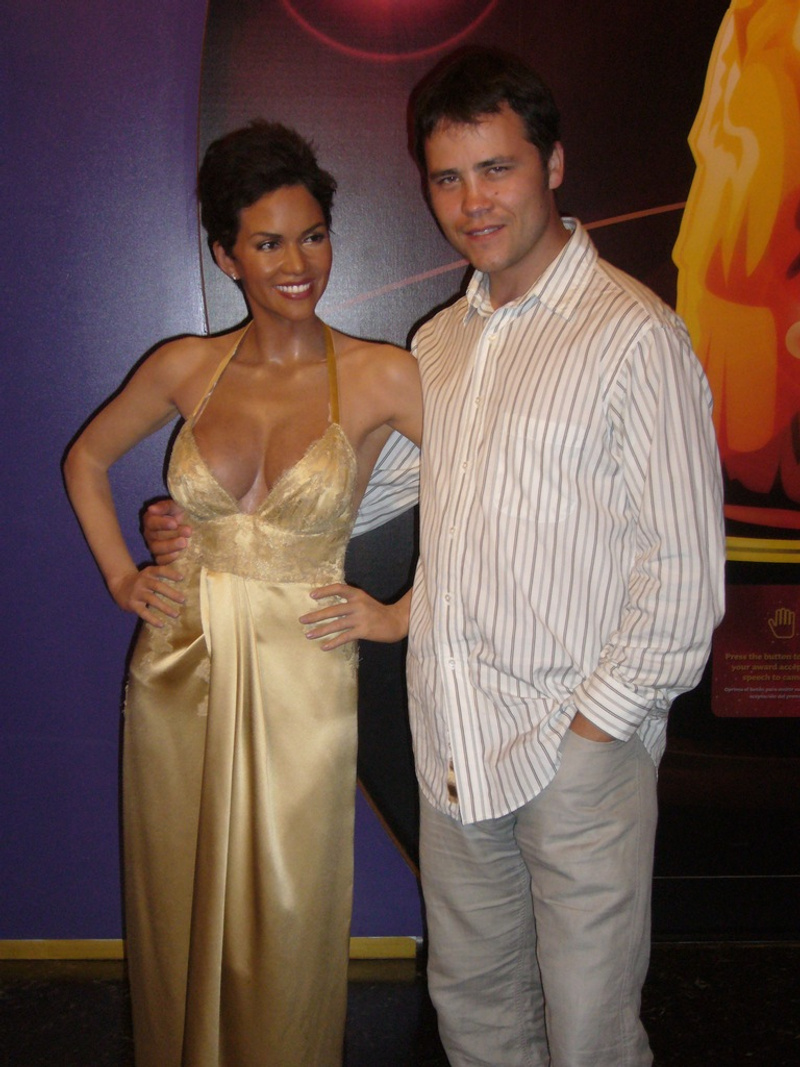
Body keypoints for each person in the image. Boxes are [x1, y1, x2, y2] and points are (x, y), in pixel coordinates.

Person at [145, 50, 726, 1067]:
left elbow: (683, 579)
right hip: (454, 737)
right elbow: (378, 493)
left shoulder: (632, 336)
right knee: (476, 1013)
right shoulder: (443, 342)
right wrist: (221, 522)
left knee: (589, 1032)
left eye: (497, 168)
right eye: (448, 177)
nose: (472, 201)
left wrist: (596, 729)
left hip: (573, 747)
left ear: (553, 165)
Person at [63, 120, 421, 1067]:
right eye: (267, 243)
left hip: (305, 667)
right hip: (179, 665)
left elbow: (490, 493)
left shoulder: (383, 373)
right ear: (227, 256)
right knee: (176, 897)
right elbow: (85, 459)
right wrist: (123, 573)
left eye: (313, 236)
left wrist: (402, 611)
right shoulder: (186, 363)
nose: (297, 264)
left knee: (289, 910)